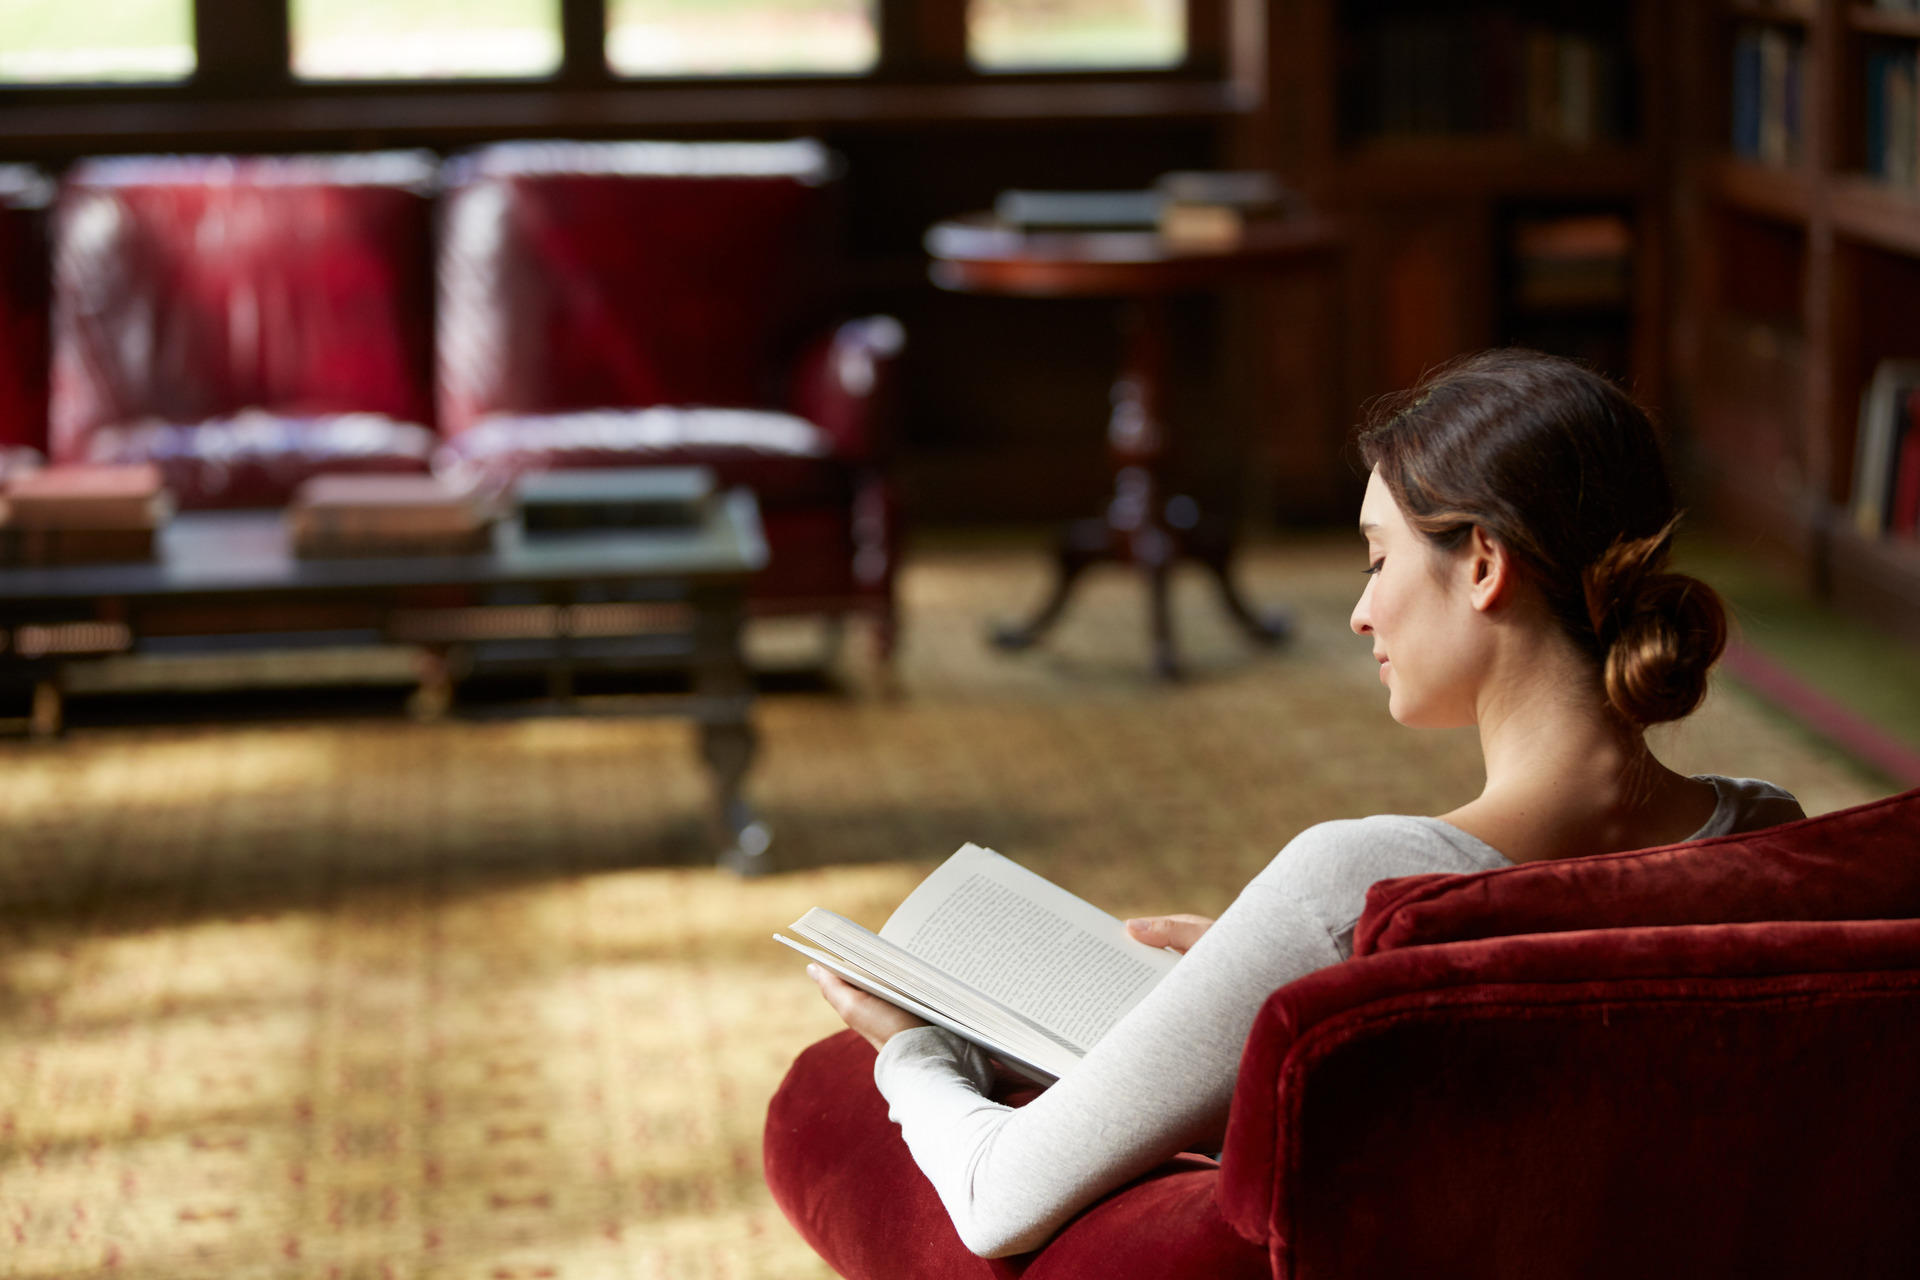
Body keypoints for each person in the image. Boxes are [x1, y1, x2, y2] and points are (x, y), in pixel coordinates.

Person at [804, 349, 1807, 1258]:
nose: (1363, 608)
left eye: (1379, 557)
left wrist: (911, 1046)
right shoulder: (1773, 834)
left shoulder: (1356, 888)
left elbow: (997, 1194)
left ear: (1487, 564)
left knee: (826, 1094)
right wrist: (1288, 1004)